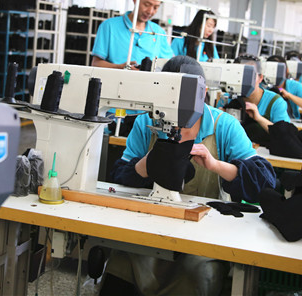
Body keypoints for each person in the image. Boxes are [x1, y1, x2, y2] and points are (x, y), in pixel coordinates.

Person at [102, 55, 276, 295]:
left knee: (198, 272)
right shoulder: (145, 124)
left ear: (202, 95)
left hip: (206, 234)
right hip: (149, 227)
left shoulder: (223, 126)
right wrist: (146, 164)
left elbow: (265, 181)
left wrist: (216, 165)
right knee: (122, 261)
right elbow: (118, 178)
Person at [91, 0, 174, 69]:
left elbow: (169, 64)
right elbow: (96, 63)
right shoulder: (109, 26)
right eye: (146, 5)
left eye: (155, 7)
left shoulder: (158, 32)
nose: (150, 11)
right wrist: (120, 67)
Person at [234, 54, 291, 133]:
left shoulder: (276, 102)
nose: (243, 80)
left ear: (260, 78)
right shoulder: (226, 99)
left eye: (249, 76)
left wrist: (258, 118)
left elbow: (286, 135)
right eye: (238, 75)